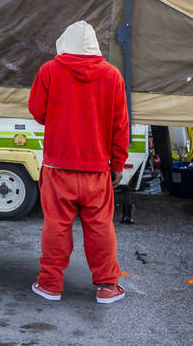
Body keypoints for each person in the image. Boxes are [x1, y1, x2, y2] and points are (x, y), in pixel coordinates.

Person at [27, 20, 130, 304]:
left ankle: (50, 285)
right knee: (100, 226)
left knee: (56, 226)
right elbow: (121, 127)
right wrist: (117, 166)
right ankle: (108, 286)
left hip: (57, 168)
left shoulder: (49, 71)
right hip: (97, 170)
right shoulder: (113, 76)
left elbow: (37, 110)